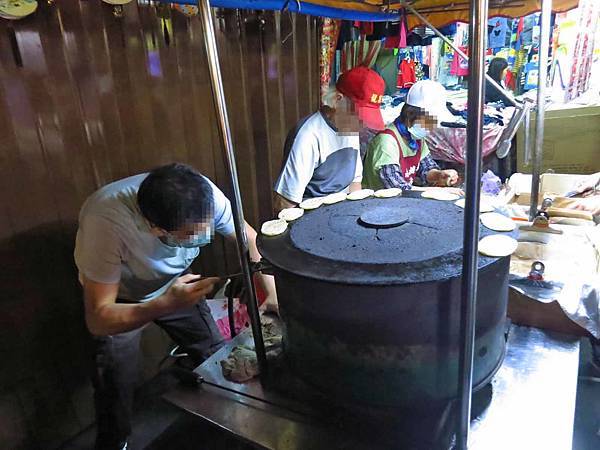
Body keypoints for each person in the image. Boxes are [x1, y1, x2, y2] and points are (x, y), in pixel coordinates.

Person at [74, 163, 277, 450]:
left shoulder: (201, 195)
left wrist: (271, 292)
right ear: (155, 229)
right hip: (121, 300)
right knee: (115, 386)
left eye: (207, 226)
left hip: (176, 285)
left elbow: (249, 238)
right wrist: (164, 304)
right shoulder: (106, 222)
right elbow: (98, 318)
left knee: (214, 353)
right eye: (192, 234)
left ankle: (232, 424)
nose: (205, 235)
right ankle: (115, 441)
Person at [273, 66, 385, 212]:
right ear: (338, 100)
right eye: (358, 116)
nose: (362, 125)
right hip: (312, 220)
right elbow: (285, 203)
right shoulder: (308, 136)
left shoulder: (350, 126)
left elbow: (355, 183)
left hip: (343, 215)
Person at [363, 80, 460, 191]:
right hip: (378, 204)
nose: (432, 126)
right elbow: (398, 188)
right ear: (410, 114)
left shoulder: (416, 138)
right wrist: (439, 191)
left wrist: (439, 175)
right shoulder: (386, 142)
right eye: (429, 120)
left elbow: (426, 167)